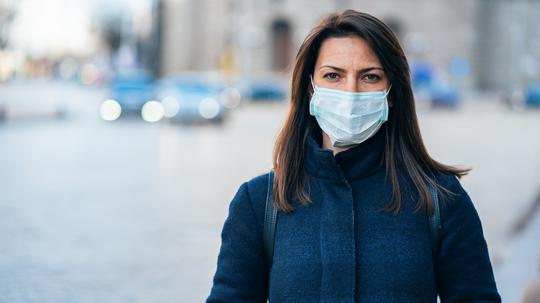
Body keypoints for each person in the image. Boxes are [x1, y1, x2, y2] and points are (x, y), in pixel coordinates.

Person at [206, 10, 501, 302]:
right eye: (333, 75)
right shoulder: (259, 202)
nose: (351, 92)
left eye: (370, 76)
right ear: (310, 89)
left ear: (392, 93)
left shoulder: (441, 199)